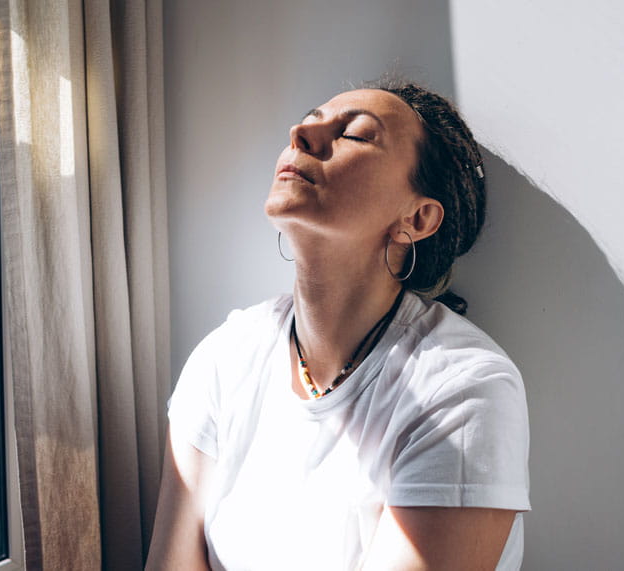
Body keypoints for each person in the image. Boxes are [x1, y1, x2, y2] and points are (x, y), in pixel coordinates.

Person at [148, 81, 530, 570]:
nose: (301, 132)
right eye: (309, 118)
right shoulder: (226, 356)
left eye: (354, 133)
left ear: (416, 217)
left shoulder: (464, 390)